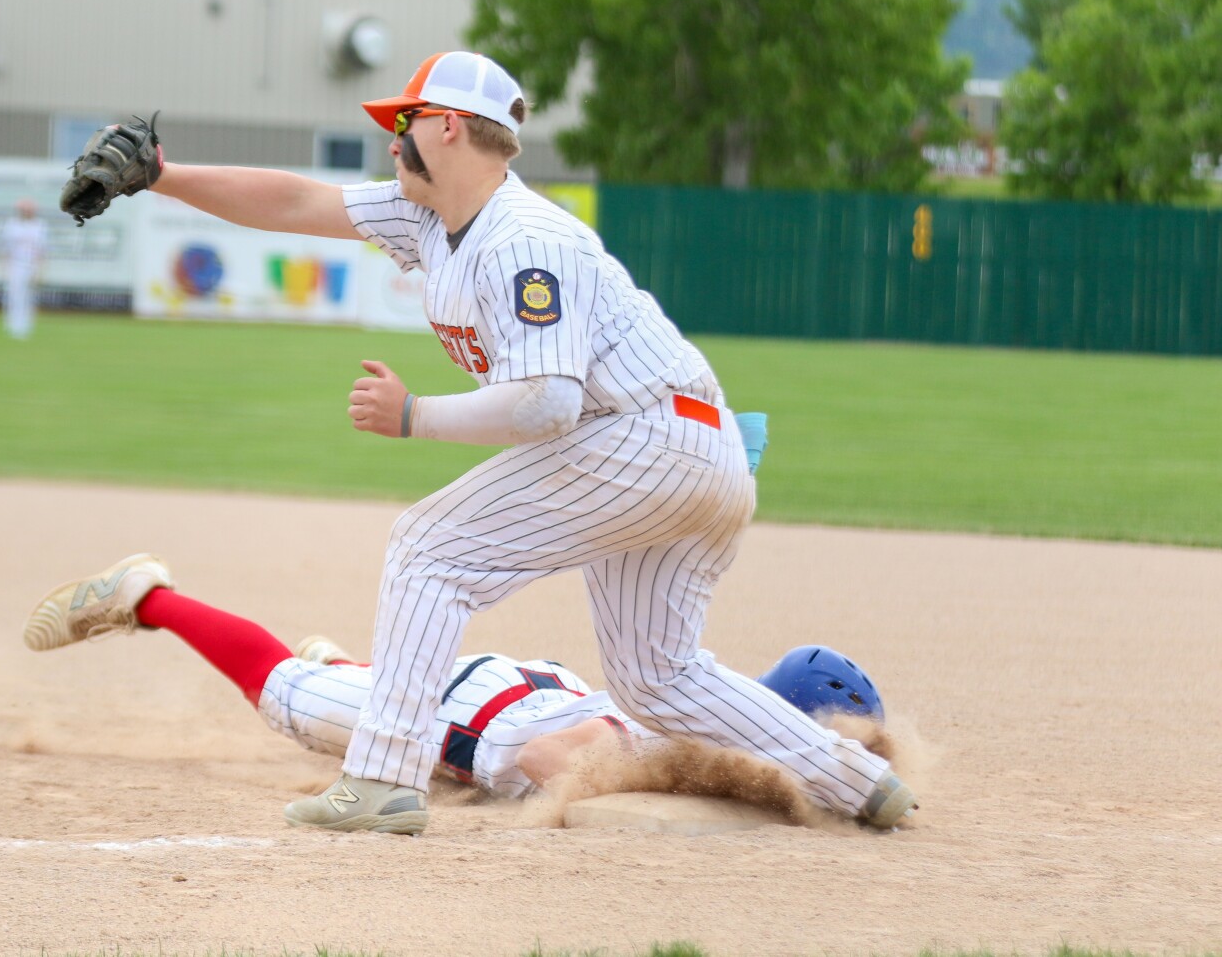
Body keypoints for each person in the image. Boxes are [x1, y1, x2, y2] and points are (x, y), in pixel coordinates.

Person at [45, 51, 915, 835]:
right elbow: (296, 200)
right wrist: (161, 176)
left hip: (644, 435)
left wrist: (414, 415)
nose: (391, 138)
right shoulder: (427, 216)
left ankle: (382, 780)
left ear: (449, 127)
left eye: (404, 121)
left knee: (429, 549)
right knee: (658, 676)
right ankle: (857, 781)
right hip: (693, 447)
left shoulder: (524, 239)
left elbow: (545, 403)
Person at [20, 553, 901, 833]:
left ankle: (346, 670)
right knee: (280, 693)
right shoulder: (649, 744)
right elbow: (546, 759)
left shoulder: (692, 712)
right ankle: (146, 597)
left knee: (341, 688)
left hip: (514, 687)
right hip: (475, 709)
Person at [0, 197, 47, 339]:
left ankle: (26, 326)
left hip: (32, 265)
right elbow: (3, 248)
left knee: (30, 297)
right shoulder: (10, 225)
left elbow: (42, 251)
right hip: (15, 264)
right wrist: (3, 267)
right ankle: (13, 326)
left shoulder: (39, 226)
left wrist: (40, 270)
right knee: (14, 296)